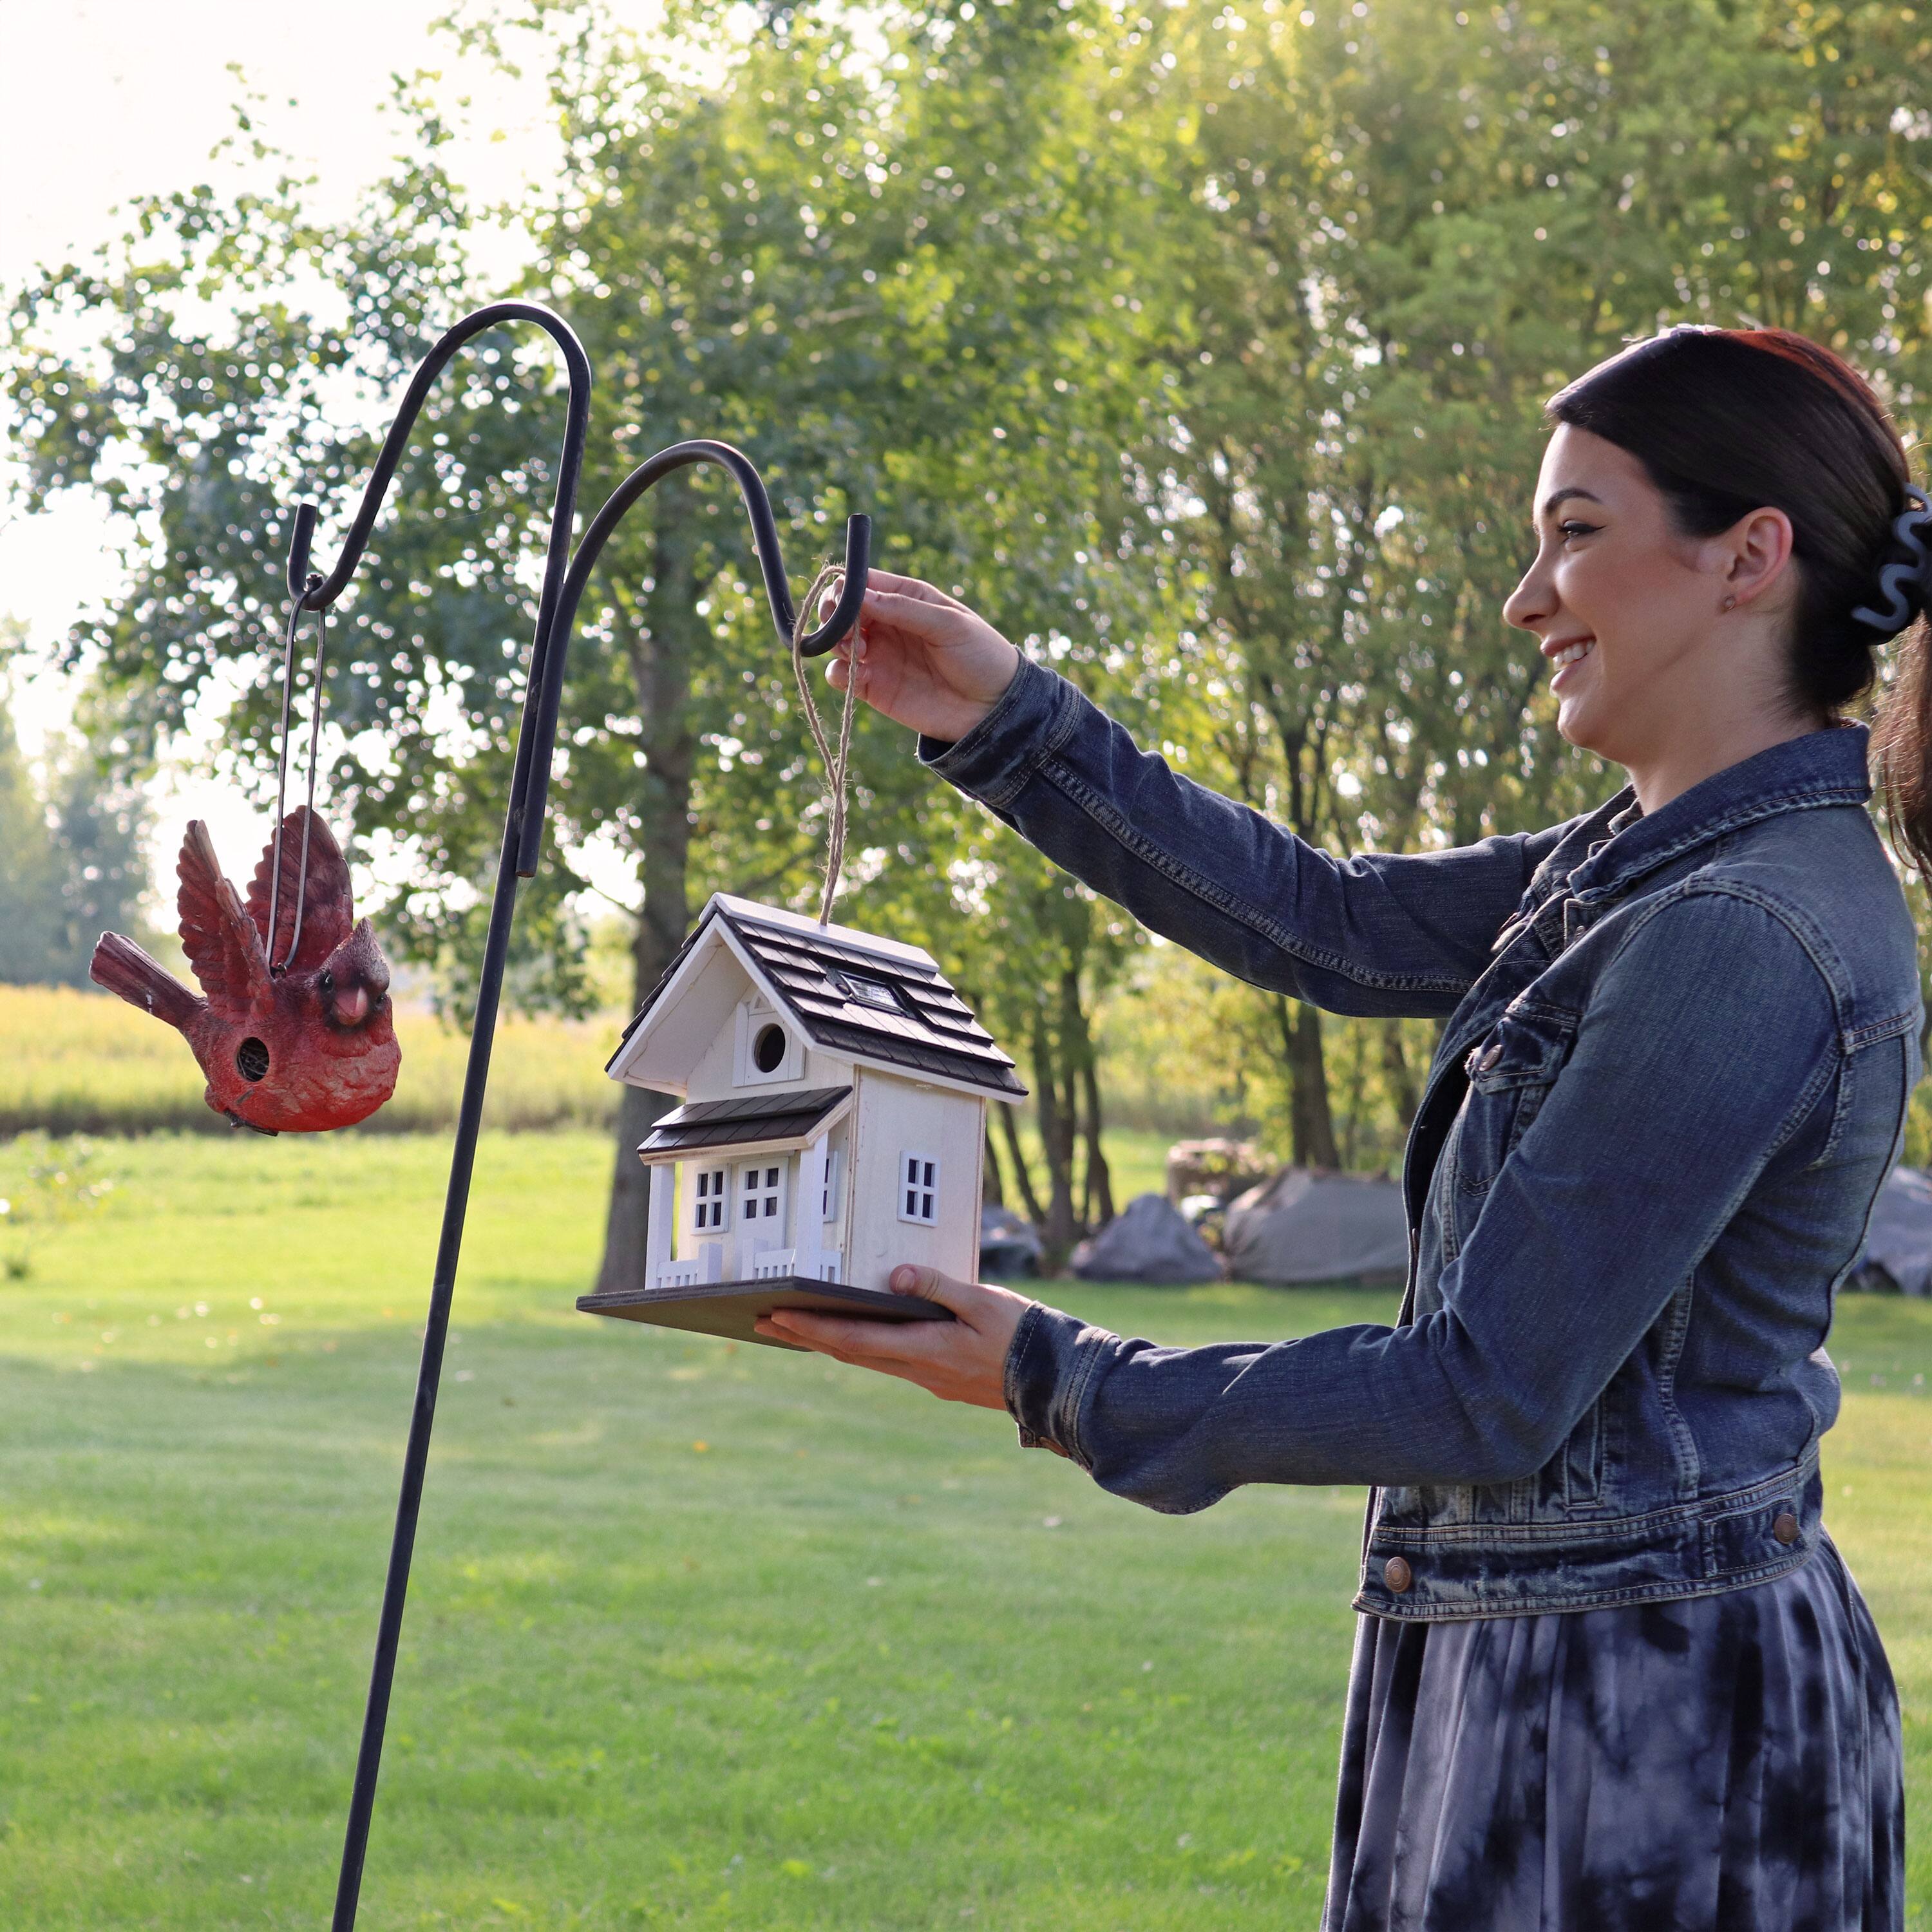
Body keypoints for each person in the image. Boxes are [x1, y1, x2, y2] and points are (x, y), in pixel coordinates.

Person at [755, 326, 1924, 1930]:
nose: (1528, 600)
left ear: (1748, 559)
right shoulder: (1641, 864)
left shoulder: (1746, 928)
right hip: (1542, 1653)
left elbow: (1484, 1392)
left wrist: (1064, 1376)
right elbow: (1329, 921)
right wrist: (1011, 719)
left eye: (1574, 533)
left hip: (1642, 1717)